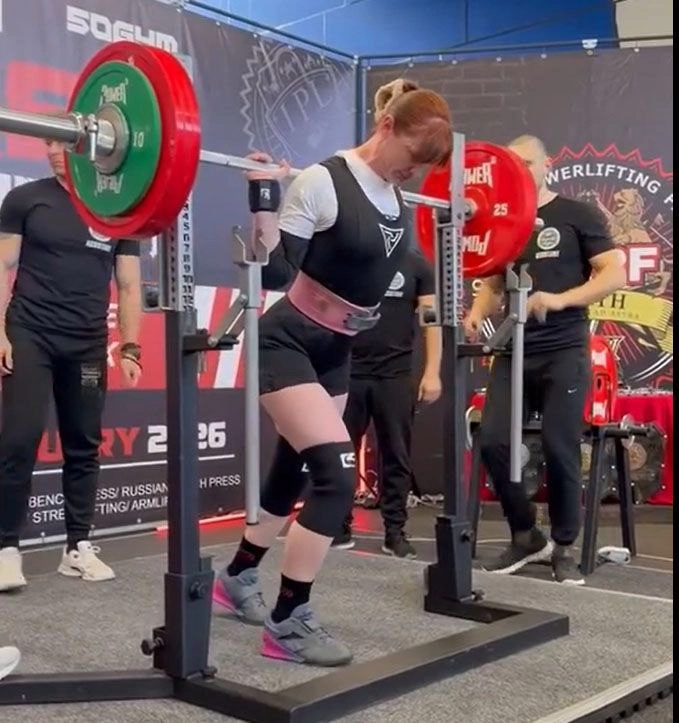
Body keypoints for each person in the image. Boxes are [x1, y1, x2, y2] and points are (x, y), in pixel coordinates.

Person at [211, 78, 453, 667]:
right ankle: (288, 620)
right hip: (287, 342)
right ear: (387, 127)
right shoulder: (323, 181)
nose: (413, 172)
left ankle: (236, 576)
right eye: (411, 157)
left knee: (290, 473)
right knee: (336, 478)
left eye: (423, 167)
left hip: (336, 351)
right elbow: (274, 275)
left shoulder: (394, 197)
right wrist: (265, 199)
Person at [464, 135, 625, 585]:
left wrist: (559, 299)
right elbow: (493, 284)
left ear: (547, 164)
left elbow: (614, 273)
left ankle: (565, 545)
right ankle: (526, 535)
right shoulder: (505, 221)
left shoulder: (577, 214)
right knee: (492, 441)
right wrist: (476, 314)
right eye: (513, 165)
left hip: (564, 350)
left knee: (559, 446)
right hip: (514, 349)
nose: (522, 171)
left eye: (529, 163)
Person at [0, 137, 143, 592]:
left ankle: (77, 546)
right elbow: (3, 266)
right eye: (49, 142)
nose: (53, 150)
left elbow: (129, 284)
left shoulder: (115, 208)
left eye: (64, 142)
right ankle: (6, 548)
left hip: (86, 342)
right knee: (19, 440)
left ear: (92, 146)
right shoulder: (26, 198)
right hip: (30, 334)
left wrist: (130, 347)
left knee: (83, 444)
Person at [330, 244, 442, 558]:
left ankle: (394, 531)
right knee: (341, 454)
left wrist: (432, 372)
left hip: (395, 377)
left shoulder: (417, 266)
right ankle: (338, 525)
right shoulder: (350, 256)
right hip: (349, 373)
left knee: (397, 456)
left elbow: (431, 321)